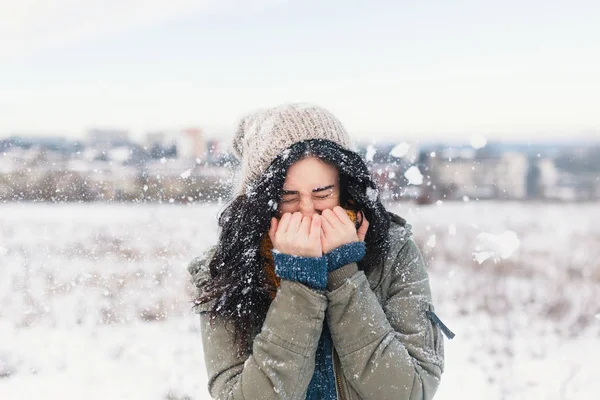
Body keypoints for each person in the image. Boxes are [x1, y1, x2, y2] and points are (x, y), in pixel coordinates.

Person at [188, 103, 452, 399]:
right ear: (262, 201)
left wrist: (343, 273)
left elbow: (409, 391)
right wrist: (300, 281)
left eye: (322, 193)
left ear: (345, 188)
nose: (307, 211)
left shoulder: (393, 253)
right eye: (288, 196)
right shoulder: (227, 271)